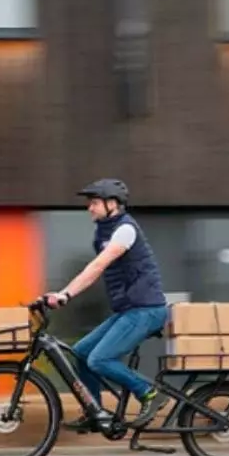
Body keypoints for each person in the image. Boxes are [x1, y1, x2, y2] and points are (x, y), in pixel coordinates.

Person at [45, 178, 169, 430]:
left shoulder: (125, 230)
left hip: (147, 310)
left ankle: (149, 394)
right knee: (81, 352)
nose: (89, 208)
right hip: (128, 311)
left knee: (99, 360)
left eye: (94, 203)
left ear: (112, 204)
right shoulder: (104, 232)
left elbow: (97, 267)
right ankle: (95, 411)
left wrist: (65, 295)